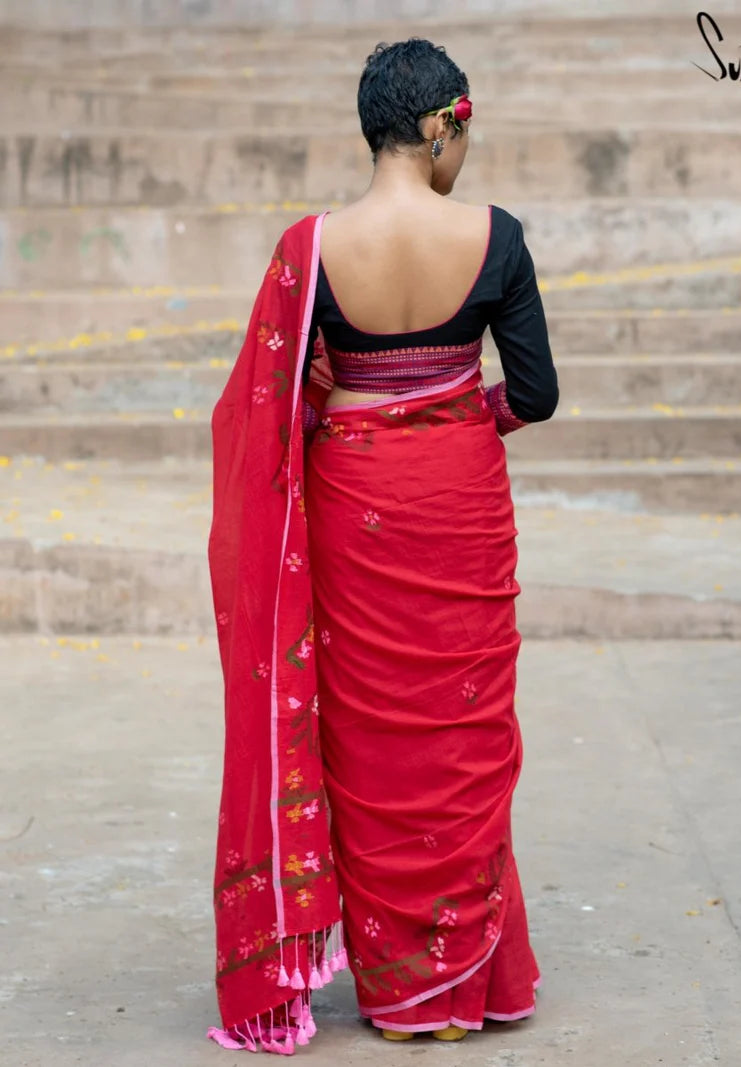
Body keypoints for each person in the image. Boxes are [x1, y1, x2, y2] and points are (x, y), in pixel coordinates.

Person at [207, 37, 558, 1056]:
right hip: (458, 499)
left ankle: (398, 993)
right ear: (444, 124)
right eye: (465, 135)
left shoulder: (309, 245)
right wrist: (451, 415)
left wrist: (359, 419)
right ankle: (466, 984)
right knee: (462, 731)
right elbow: (533, 395)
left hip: (352, 500)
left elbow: (273, 409)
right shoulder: (495, 236)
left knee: (367, 739)